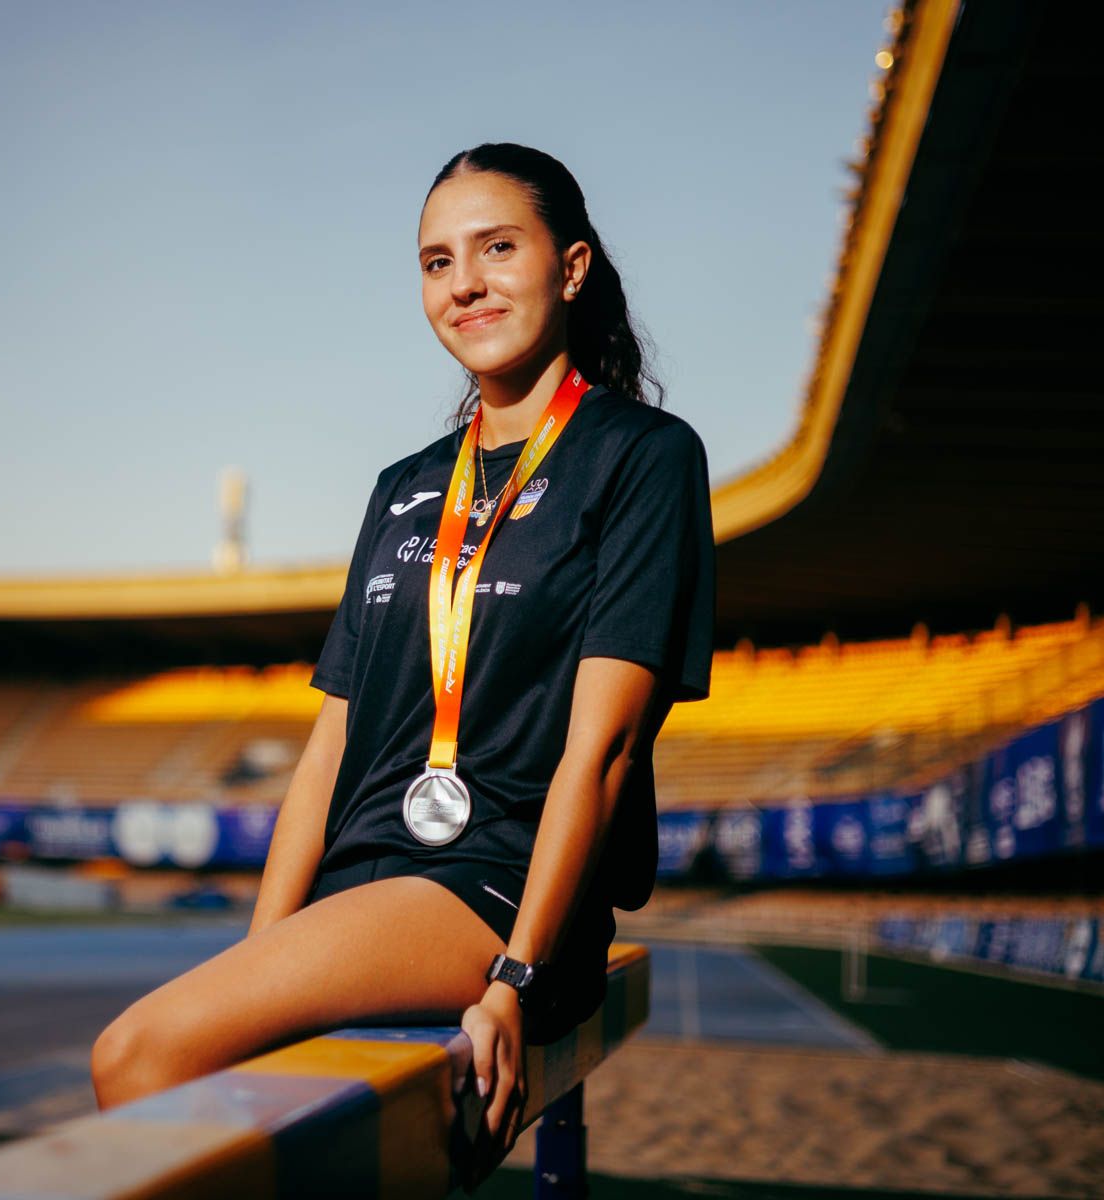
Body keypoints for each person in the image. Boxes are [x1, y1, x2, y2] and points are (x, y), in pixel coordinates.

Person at [90, 142, 716, 1188]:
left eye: (496, 247)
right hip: (363, 884)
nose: (463, 282)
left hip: (491, 883)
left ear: (571, 268)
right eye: (436, 262)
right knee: (225, 1086)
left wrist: (517, 975)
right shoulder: (405, 485)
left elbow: (603, 748)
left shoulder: (642, 457)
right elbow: (330, 743)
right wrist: (258, 954)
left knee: (139, 1052)